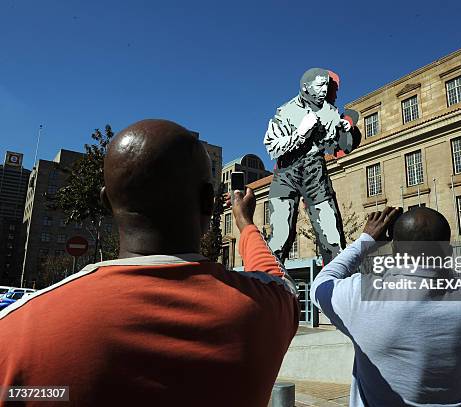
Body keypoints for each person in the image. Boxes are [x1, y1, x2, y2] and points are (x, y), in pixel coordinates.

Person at [0, 119, 299, 406]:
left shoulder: (15, 335)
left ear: (106, 202)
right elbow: (277, 277)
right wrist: (245, 222)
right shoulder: (268, 308)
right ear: (208, 201)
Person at [310, 207, 461, 407]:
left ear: (394, 251)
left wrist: (366, 239)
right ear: (448, 252)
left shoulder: (363, 296)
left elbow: (321, 284)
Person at [263, 68, 356, 264]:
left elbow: (337, 148)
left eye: (327, 86)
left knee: (333, 238)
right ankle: (271, 285)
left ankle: (335, 286)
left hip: (315, 172)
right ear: (305, 87)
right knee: (279, 238)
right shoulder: (286, 111)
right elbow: (271, 147)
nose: (325, 90)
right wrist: (300, 134)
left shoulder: (329, 112)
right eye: (320, 85)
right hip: (286, 173)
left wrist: (346, 127)